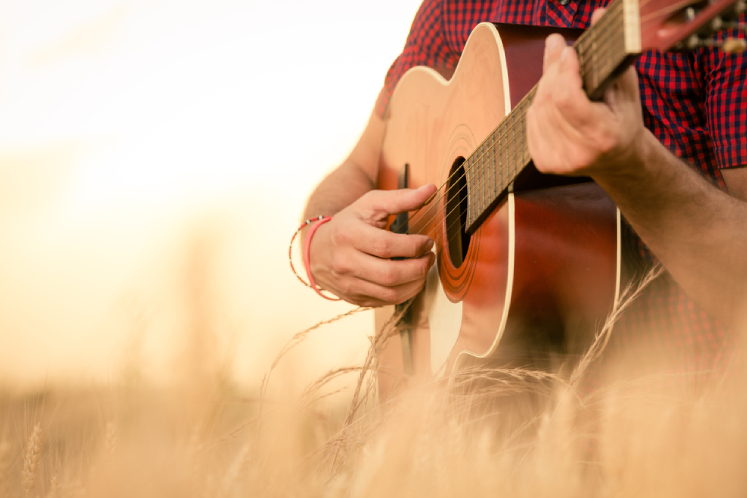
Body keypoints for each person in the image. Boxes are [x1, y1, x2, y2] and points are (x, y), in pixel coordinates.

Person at [301, 0, 747, 375]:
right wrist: (319, 243)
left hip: (695, 436)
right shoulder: (451, 9)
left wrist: (632, 166)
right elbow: (360, 168)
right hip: (498, 450)